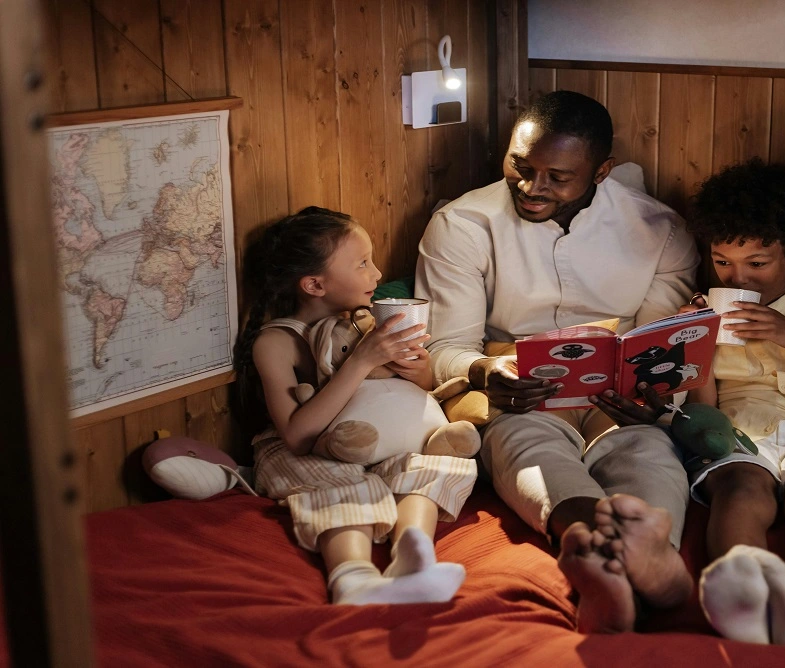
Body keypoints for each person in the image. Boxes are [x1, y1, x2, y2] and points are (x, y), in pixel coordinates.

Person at [415, 90, 699, 633]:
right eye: (520, 166)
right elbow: (443, 347)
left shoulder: (660, 230)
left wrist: (659, 392)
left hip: (616, 388)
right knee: (526, 444)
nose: (531, 187)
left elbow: (661, 343)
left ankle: (647, 554)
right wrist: (483, 372)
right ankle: (588, 543)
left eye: (557, 177)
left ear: (602, 171)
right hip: (515, 383)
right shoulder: (462, 225)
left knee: (648, 447)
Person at [600, 159, 785, 647]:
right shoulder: (704, 307)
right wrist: (694, 349)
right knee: (742, 486)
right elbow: (705, 408)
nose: (738, 277)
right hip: (737, 427)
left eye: (757, 263)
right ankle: (743, 598)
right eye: (723, 262)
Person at [234, 206, 477, 605]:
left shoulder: (366, 321)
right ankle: (354, 577)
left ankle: (411, 559)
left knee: (436, 464)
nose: (377, 274)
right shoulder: (276, 342)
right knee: (342, 482)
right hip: (309, 452)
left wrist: (417, 368)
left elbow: (420, 389)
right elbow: (296, 436)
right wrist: (362, 360)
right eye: (363, 263)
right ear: (314, 284)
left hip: (377, 443)